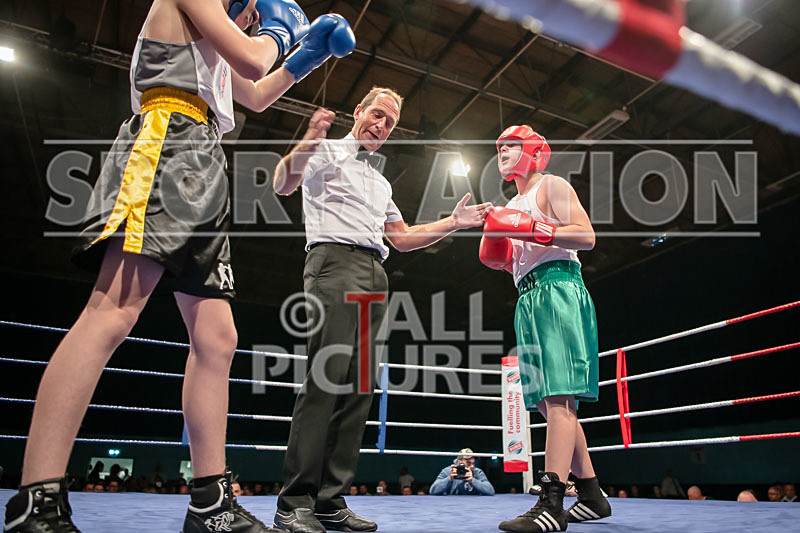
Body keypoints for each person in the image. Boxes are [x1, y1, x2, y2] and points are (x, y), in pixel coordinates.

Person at [2, 1, 354, 532]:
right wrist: (284, 34)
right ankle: (37, 497)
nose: (255, 22)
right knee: (113, 310)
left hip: (204, 156)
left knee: (218, 337)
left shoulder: (213, 48)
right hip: (167, 137)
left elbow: (256, 93)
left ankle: (210, 501)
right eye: (255, 14)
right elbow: (256, 61)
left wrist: (307, 55)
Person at [271, 87, 492, 533]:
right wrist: (311, 135)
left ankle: (331, 501)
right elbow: (282, 182)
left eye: (389, 123)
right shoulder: (327, 149)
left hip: (375, 274)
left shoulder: (380, 181)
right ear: (358, 112)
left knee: (359, 389)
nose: (381, 125)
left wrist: (452, 222)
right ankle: (294, 503)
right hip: (332, 264)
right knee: (324, 381)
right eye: (376, 114)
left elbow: (403, 237)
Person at [478, 125, 611, 533]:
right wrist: (497, 237)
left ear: (535, 151)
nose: (503, 150)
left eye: (512, 144)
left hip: (558, 288)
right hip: (528, 297)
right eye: (499, 145)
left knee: (558, 397)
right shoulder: (511, 204)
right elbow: (508, 262)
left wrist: (536, 228)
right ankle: (591, 494)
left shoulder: (550, 186)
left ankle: (552, 500)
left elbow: (586, 236)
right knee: (543, 401)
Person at [429, 448, 495, 496]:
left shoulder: (477, 472)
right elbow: (432, 491)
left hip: (473, 505)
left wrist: (473, 481)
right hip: (450, 506)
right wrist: (449, 479)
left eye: (473, 463)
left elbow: (491, 491)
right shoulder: (448, 471)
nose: (472, 466)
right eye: (468, 463)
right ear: (459, 462)